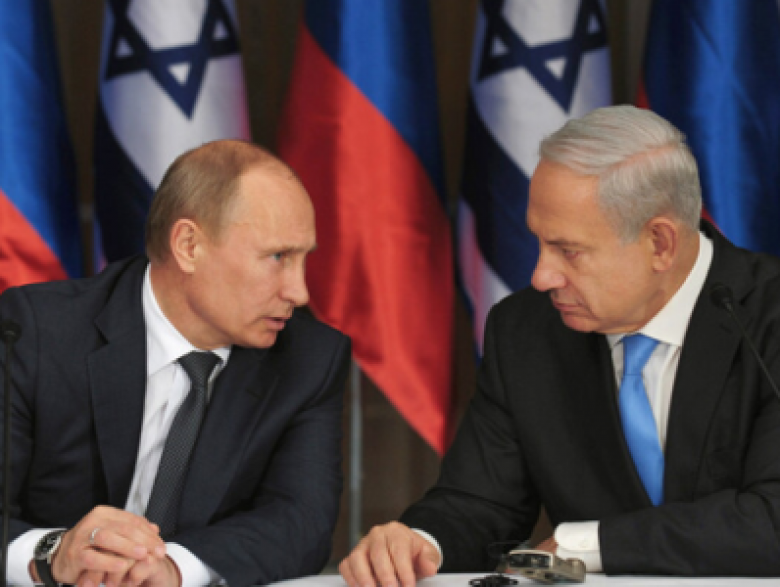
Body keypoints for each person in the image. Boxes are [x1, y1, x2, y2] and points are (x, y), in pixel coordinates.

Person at [340, 105, 780, 586]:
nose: (541, 276)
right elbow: (480, 502)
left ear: (660, 243)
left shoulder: (768, 315)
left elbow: (772, 519)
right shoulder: (526, 330)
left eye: (569, 251)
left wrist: (588, 545)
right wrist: (421, 541)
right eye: (539, 243)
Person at [0, 140, 351, 587]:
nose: (299, 293)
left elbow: (301, 524)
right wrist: (52, 555)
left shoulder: (310, 359)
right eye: (277, 257)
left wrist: (174, 568)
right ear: (189, 245)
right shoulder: (36, 332)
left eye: (304, 258)